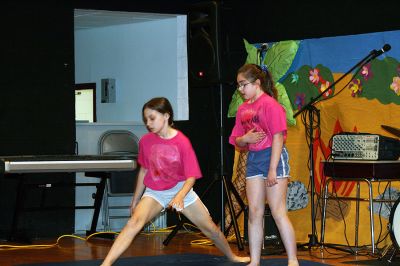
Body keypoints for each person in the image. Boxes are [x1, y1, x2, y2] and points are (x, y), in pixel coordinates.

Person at [101, 97, 249, 266]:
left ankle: (232, 256)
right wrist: (135, 199)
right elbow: (144, 170)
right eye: (146, 119)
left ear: (166, 116)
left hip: (182, 190)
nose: (148, 123)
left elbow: (191, 177)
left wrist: (179, 196)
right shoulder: (146, 141)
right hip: (155, 192)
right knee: (133, 223)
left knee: (211, 229)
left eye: (152, 118)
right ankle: (106, 263)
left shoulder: (182, 142)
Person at [229, 64, 299, 266]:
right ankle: (255, 261)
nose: (241, 89)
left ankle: (293, 259)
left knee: (277, 211)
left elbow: (278, 138)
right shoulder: (243, 109)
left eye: (244, 85)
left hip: (273, 158)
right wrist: (246, 138)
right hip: (254, 160)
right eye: (238, 86)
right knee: (254, 212)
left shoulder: (271, 105)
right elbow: (236, 141)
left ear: (257, 83)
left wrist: (272, 170)